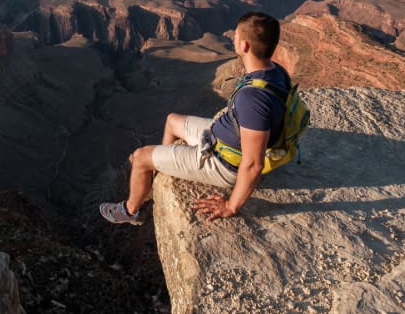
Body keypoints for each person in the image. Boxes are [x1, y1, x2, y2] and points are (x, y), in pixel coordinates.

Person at [100, 12, 291, 224]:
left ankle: (131, 211)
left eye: (235, 36)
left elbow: (253, 164)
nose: (232, 38)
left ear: (245, 46)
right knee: (172, 120)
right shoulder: (276, 72)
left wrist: (231, 205)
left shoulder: (252, 99)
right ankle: (160, 171)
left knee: (140, 157)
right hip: (222, 136)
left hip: (224, 163)